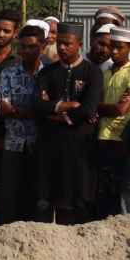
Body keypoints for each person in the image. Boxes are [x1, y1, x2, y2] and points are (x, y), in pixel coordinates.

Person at [35, 26, 102, 224]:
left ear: (79, 45)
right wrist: (63, 105)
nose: (62, 48)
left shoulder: (93, 72)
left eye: (67, 44)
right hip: (51, 145)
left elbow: (89, 109)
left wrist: (55, 113)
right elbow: (38, 106)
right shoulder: (47, 73)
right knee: (47, 199)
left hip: (80, 145)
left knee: (78, 199)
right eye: (59, 43)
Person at [0, 24, 44, 225]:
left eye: (31, 46)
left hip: (41, 144)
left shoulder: (50, 71)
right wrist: (36, 112)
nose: (26, 51)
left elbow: (50, 111)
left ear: (42, 45)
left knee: (37, 197)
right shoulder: (9, 73)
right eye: (23, 46)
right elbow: (4, 107)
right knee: (10, 197)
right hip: (13, 143)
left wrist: (19, 111)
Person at [94, 26, 130, 217]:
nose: (114, 51)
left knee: (121, 186)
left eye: (119, 48)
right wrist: (106, 108)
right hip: (103, 135)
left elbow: (121, 109)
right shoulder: (105, 72)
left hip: (123, 137)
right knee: (103, 186)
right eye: (112, 47)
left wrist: (98, 107)